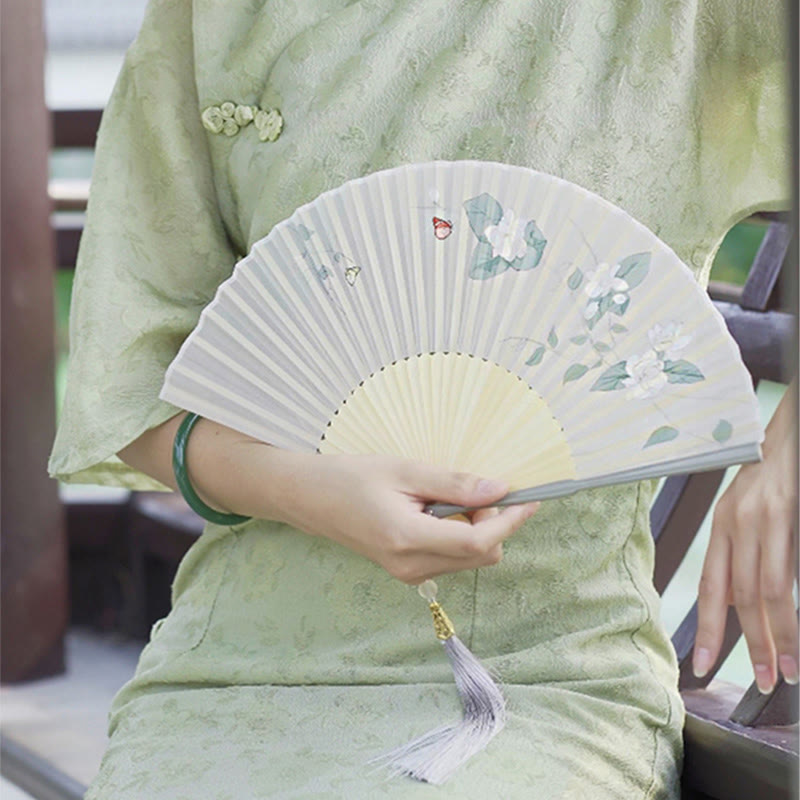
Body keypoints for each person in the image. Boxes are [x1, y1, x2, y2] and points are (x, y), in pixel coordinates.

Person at [49, 1, 794, 797]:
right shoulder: (211, 16)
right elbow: (132, 388)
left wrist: (786, 452)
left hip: (541, 670)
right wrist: (307, 491)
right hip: (235, 658)